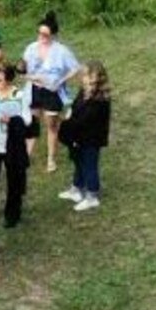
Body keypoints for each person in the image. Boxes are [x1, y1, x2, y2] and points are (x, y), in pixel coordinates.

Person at [22, 11, 81, 173]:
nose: (41, 37)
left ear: (53, 35)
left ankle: (51, 159)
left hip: (52, 92)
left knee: (51, 126)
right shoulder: (31, 48)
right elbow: (23, 69)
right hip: (34, 89)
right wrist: (31, 77)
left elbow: (75, 68)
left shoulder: (61, 51)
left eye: (45, 35)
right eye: (39, 33)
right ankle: (26, 155)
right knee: (32, 124)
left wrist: (60, 81)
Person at [58, 60, 112, 212]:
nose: (83, 78)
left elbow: (86, 118)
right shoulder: (84, 90)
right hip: (79, 135)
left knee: (90, 166)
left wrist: (69, 118)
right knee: (78, 162)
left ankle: (92, 196)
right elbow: (75, 107)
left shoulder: (100, 98)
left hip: (91, 138)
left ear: (96, 77)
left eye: (87, 75)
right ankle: (77, 189)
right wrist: (70, 115)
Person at [0, 64, 31, 227]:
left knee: (14, 181)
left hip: (12, 145)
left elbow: (28, 120)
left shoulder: (20, 95)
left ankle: (12, 215)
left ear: (9, 81)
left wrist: (12, 120)